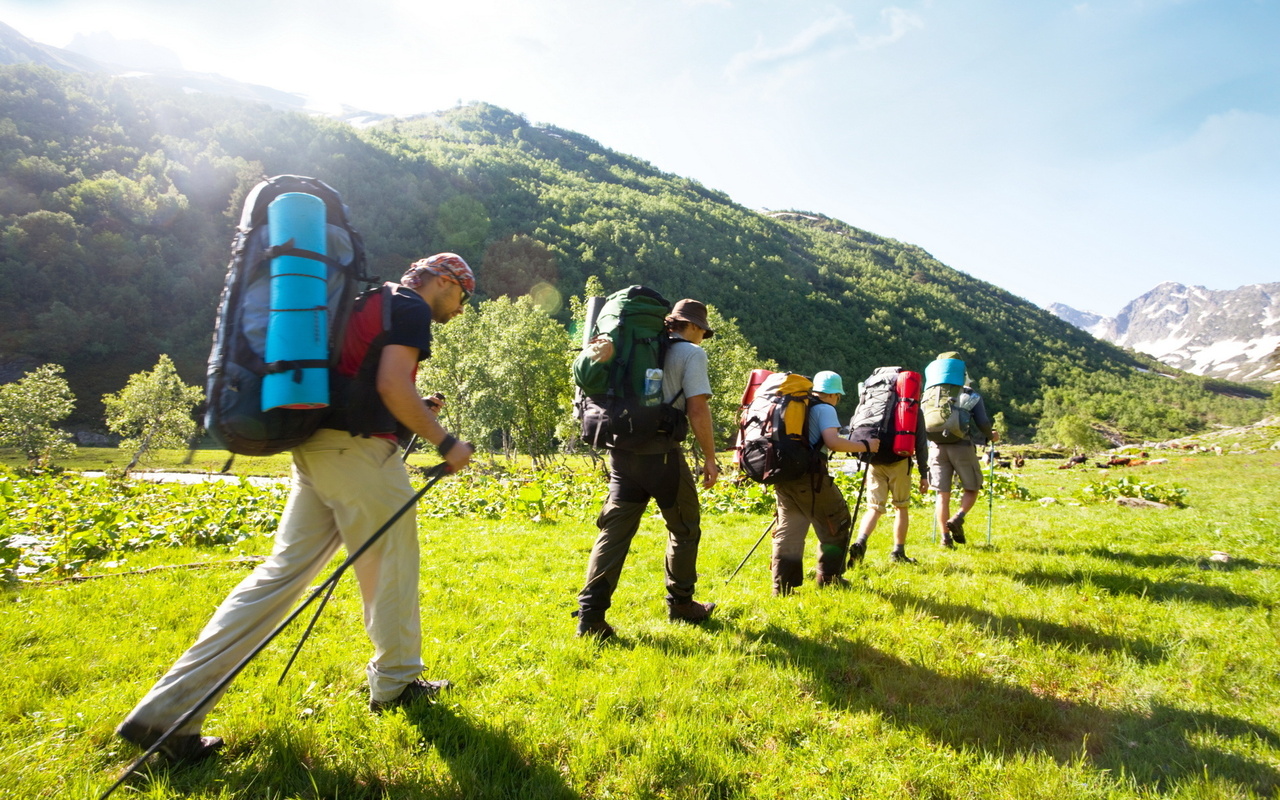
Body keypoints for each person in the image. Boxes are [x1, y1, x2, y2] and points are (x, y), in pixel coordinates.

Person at [116, 253, 477, 762]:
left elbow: (363, 379)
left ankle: (166, 712)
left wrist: (412, 411)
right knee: (392, 570)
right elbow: (392, 385)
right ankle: (396, 685)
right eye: (463, 294)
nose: (462, 307)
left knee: (278, 577)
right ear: (443, 281)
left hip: (316, 450)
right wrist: (445, 441)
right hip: (359, 457)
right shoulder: (411, 308)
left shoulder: (366, 300)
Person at [576, 299, 720, 639]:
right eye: (704, 332)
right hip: (662, 456)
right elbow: (697, 408)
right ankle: (682, 604)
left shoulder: (638, 346)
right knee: (685, 529)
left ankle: (590, 618)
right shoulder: (692, 354)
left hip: (622, 452)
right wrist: (711, 458)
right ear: (696, 328)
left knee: (614, 533)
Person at [770, 370, 878, 596]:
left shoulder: (797, 404)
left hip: (783, 475)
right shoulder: (825, 408)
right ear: (834, 395)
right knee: (836, 522)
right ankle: (829, 579)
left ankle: (782, 588)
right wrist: (867, 446)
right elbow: (833, 442)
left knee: (789, 530)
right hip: (810, 478)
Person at [922, 351, 998, 548]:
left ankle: (945, 539)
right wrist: (991, 436)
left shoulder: (929, 394)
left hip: (936, 447)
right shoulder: (969, 393)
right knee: (972, 488)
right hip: (962, 446)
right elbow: (982, 422)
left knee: (942, 494)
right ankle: (958, 518)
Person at [848, 392, 929, 565]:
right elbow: (921, 444)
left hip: (874, 461)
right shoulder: (911, 407)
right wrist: (924, 473)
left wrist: (863, 465)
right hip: (899, 461)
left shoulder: (872, 401)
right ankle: (898, 552)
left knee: (874, 508)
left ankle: (861, 542)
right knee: (901, 506)